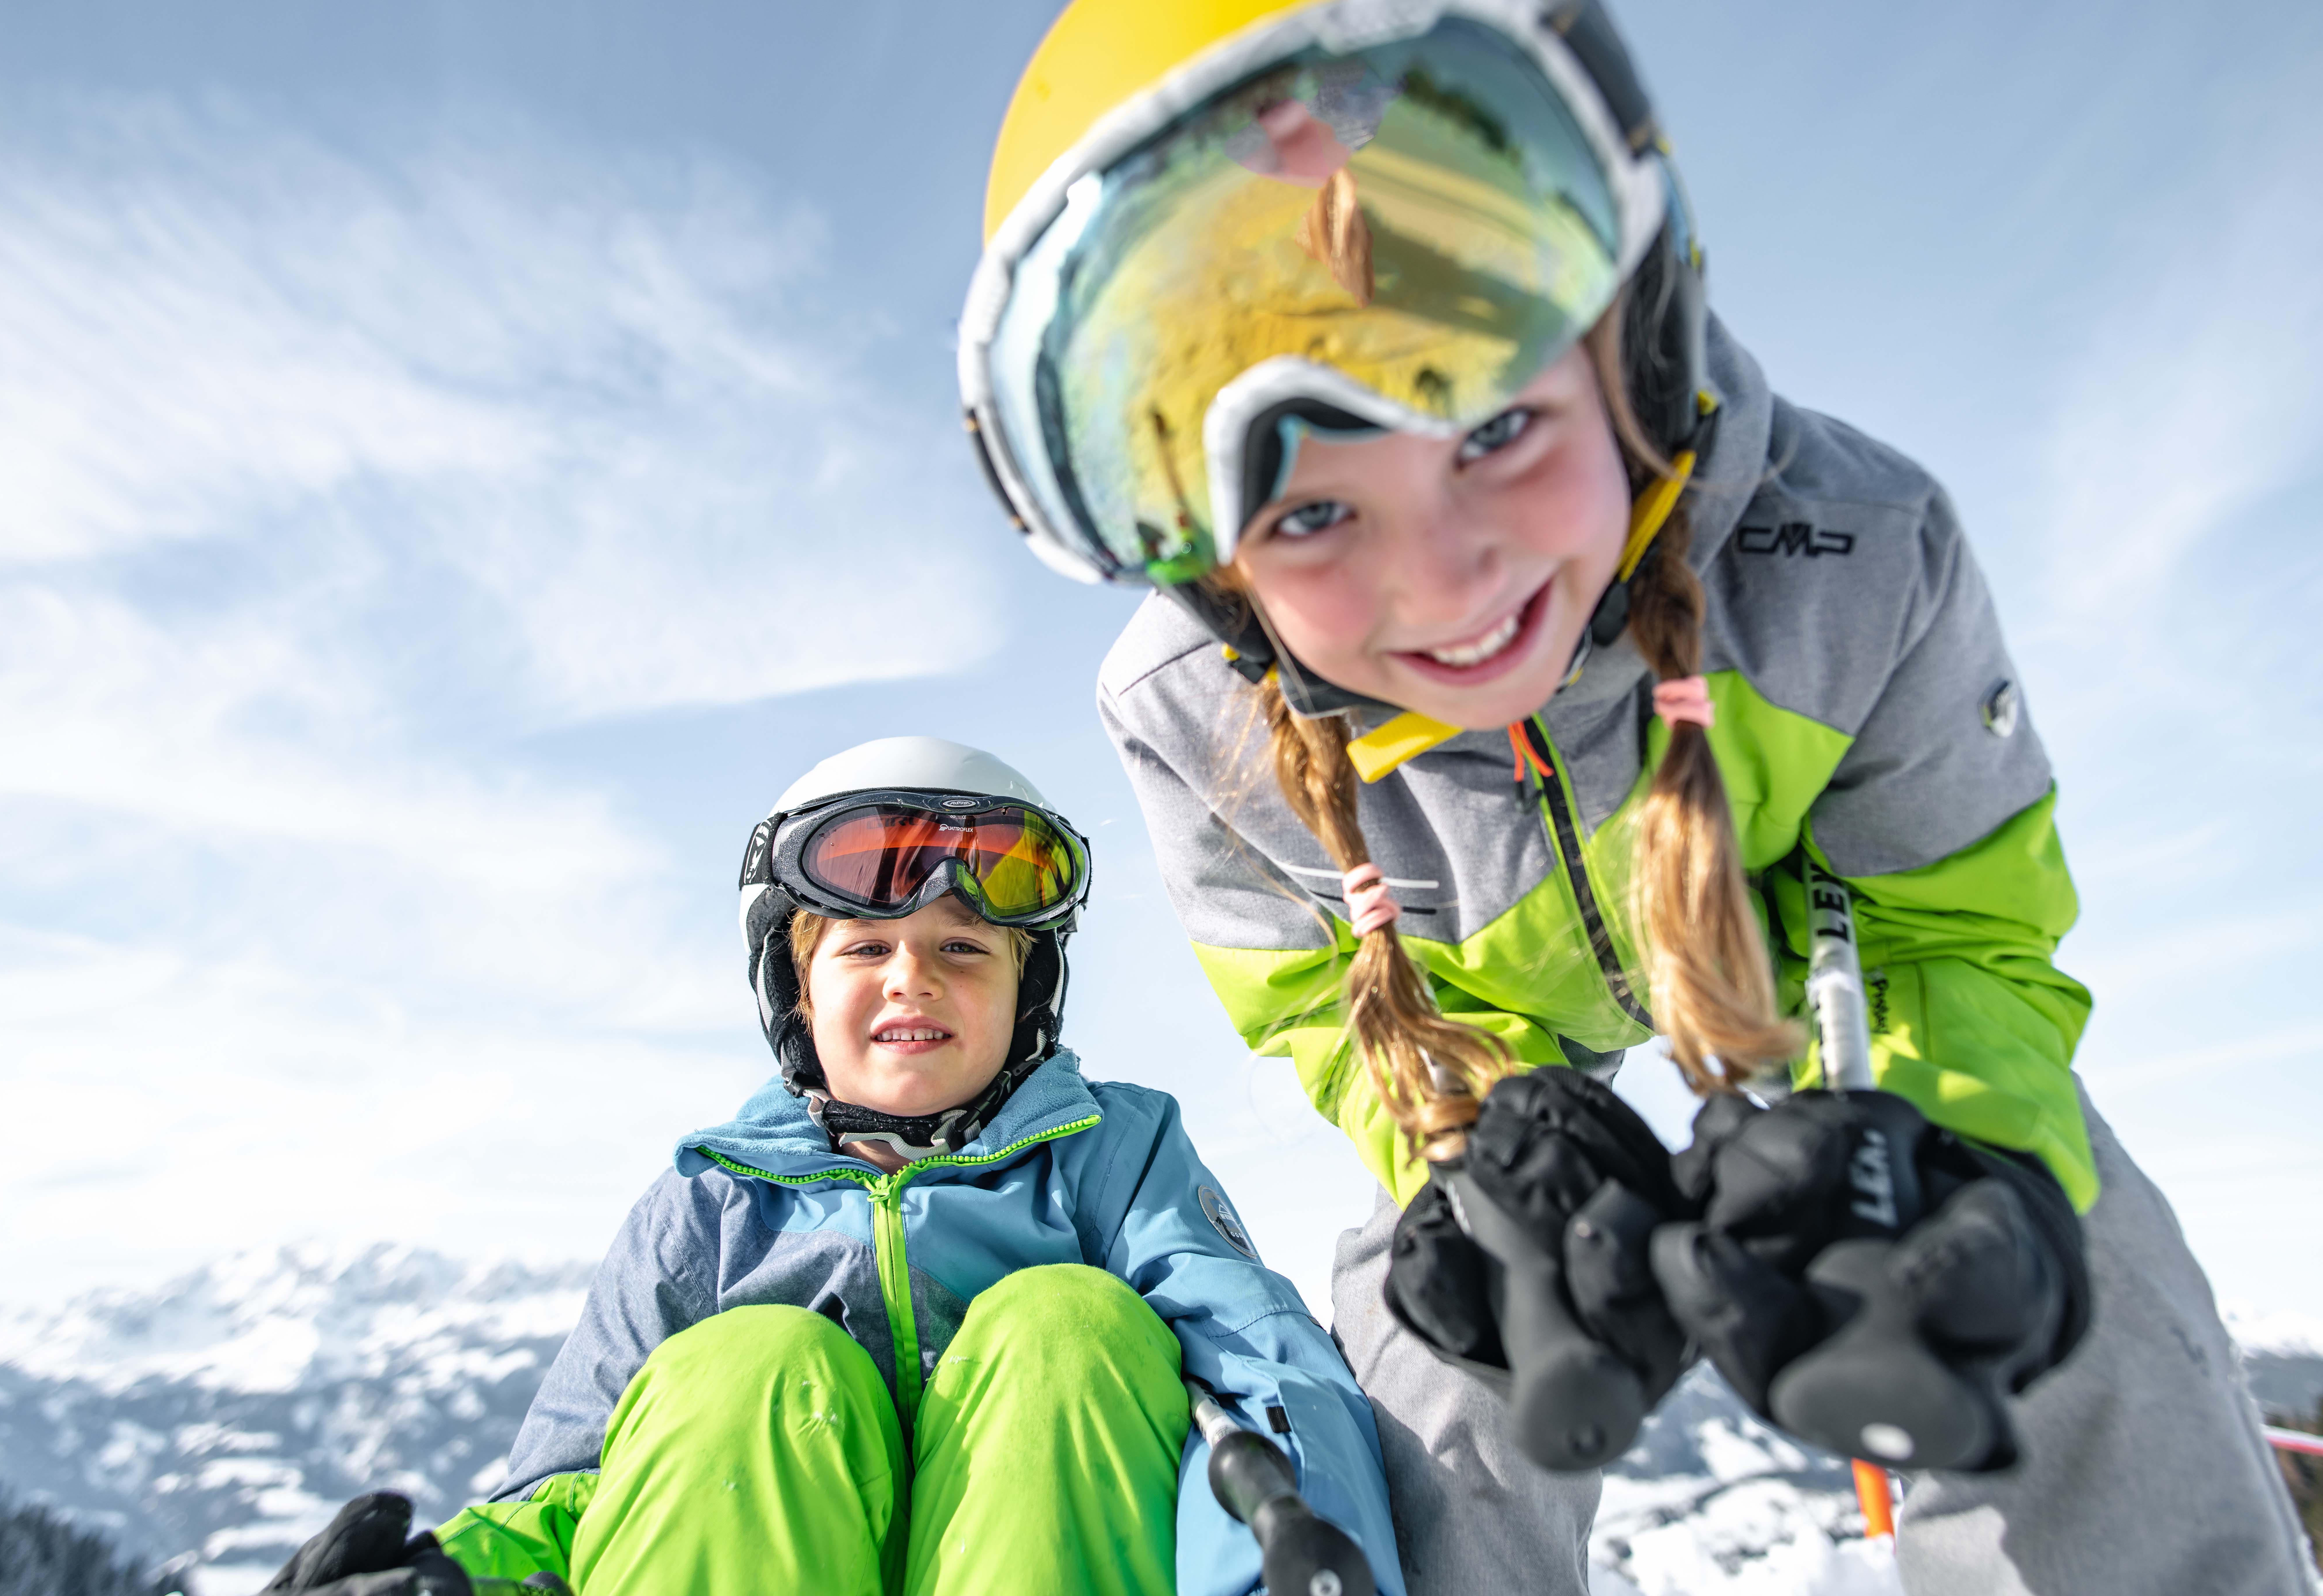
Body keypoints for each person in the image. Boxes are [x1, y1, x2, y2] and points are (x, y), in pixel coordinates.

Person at [956, 3, 2313, 1592]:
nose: (1447, 575)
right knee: (1441, 1334)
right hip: (1488, 1034)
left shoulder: (1850, 560)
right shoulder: (1196, 715)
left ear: (1633, 343)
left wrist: (1964, 1152)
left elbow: (1955, 934)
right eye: (1317, 508)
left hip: (1815, 962)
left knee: (2040, 1243)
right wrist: (1464, 1160)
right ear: (1214, 563)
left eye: (1499, 427)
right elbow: (1330, 1006)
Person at [405, 736, 1405, 1596]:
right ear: (796, 991)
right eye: (866, 946)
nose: (912, 977)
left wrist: (1302, 1545)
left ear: (1031, 986)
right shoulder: (707, 1209)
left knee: (1065, 1324)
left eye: (964, 947)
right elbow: (577, 1489)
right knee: (748, 1367)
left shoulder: (1114, 1158)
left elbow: (1257, 1387)